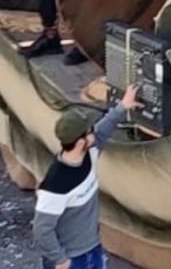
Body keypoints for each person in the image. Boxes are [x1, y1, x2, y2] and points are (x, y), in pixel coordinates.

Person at [34, 85, 140, 269]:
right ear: (81, 142)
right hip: (73, 257)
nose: (94, 132)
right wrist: (60, 260)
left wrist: (123, 106)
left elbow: (103, 130)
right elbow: (42, 229)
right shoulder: (56, 185)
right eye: (89, 131)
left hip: (91, 248)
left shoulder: (88, 152)